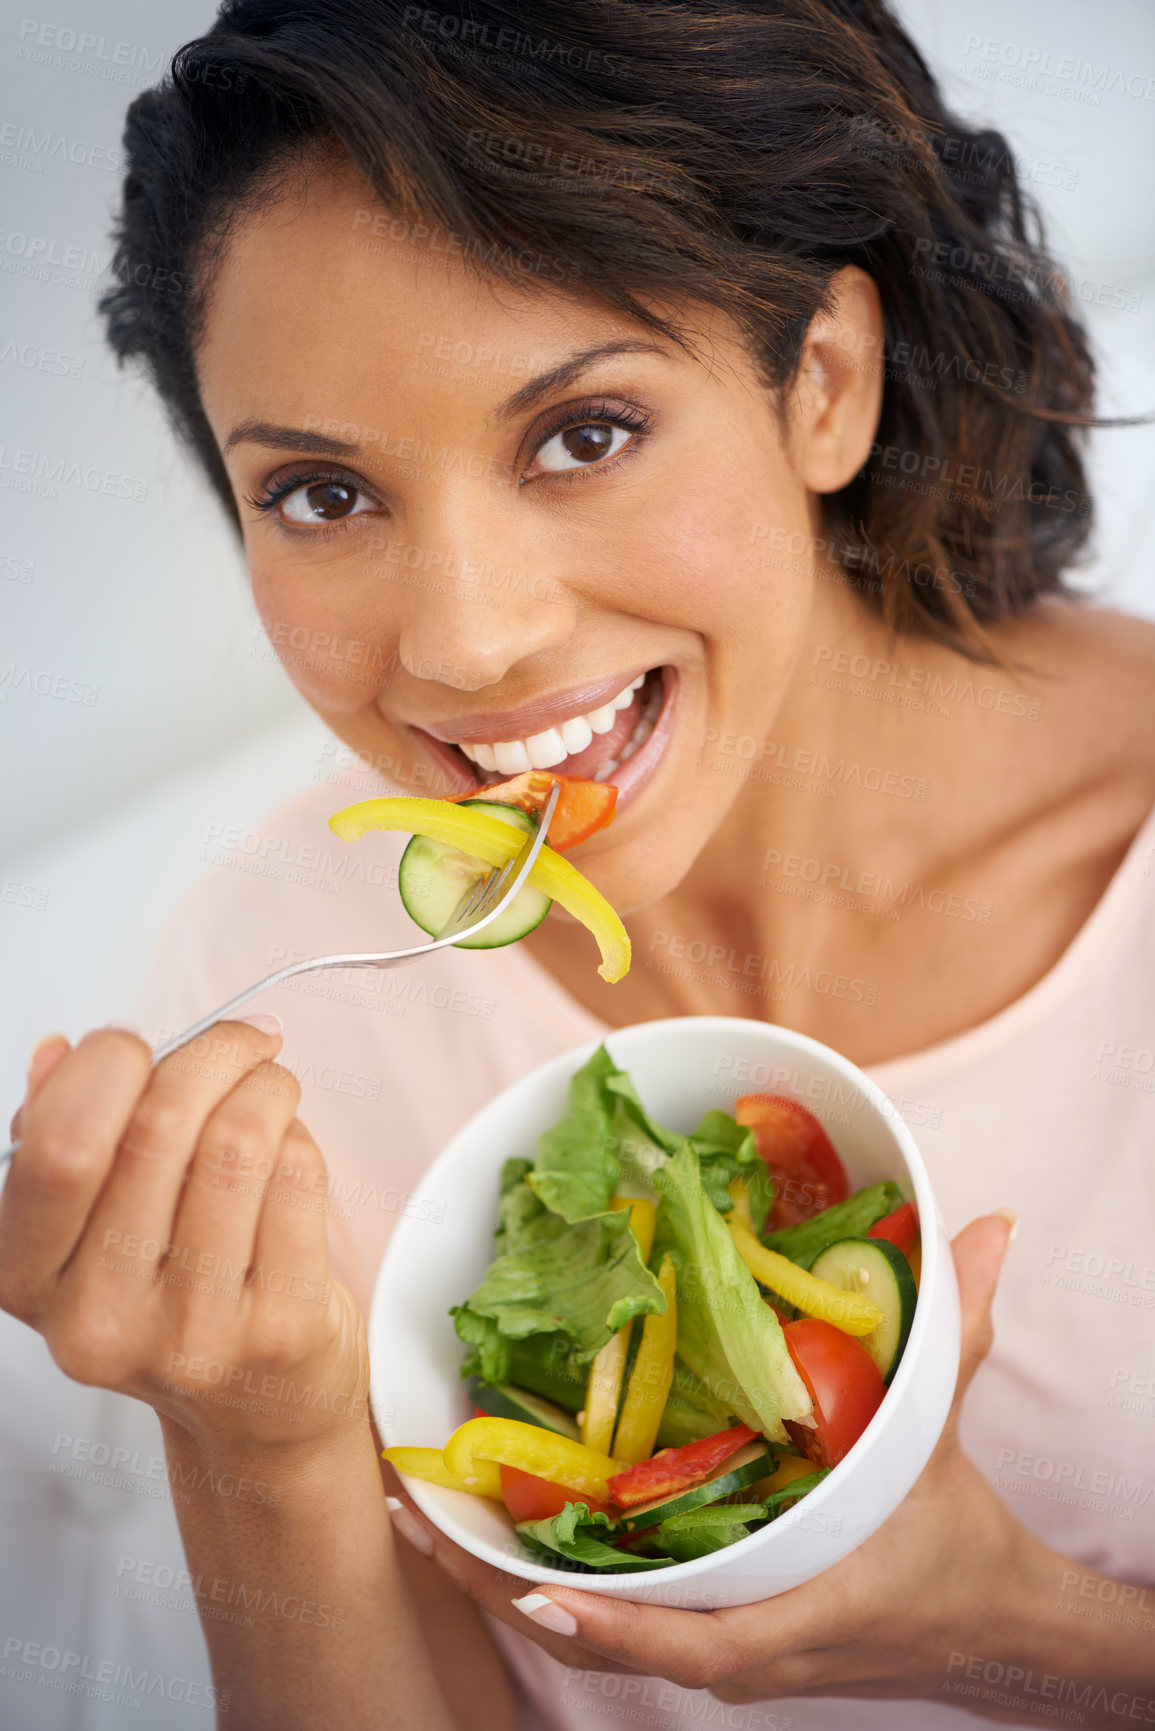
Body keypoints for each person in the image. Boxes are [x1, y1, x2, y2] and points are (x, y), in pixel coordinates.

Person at [3, 0, 1153, 1725]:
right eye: (323, 492)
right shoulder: (264, 984)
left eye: (584, 433)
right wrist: (266, 1452)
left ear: (823, 385)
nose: (465, 645)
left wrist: (1021, 1631)